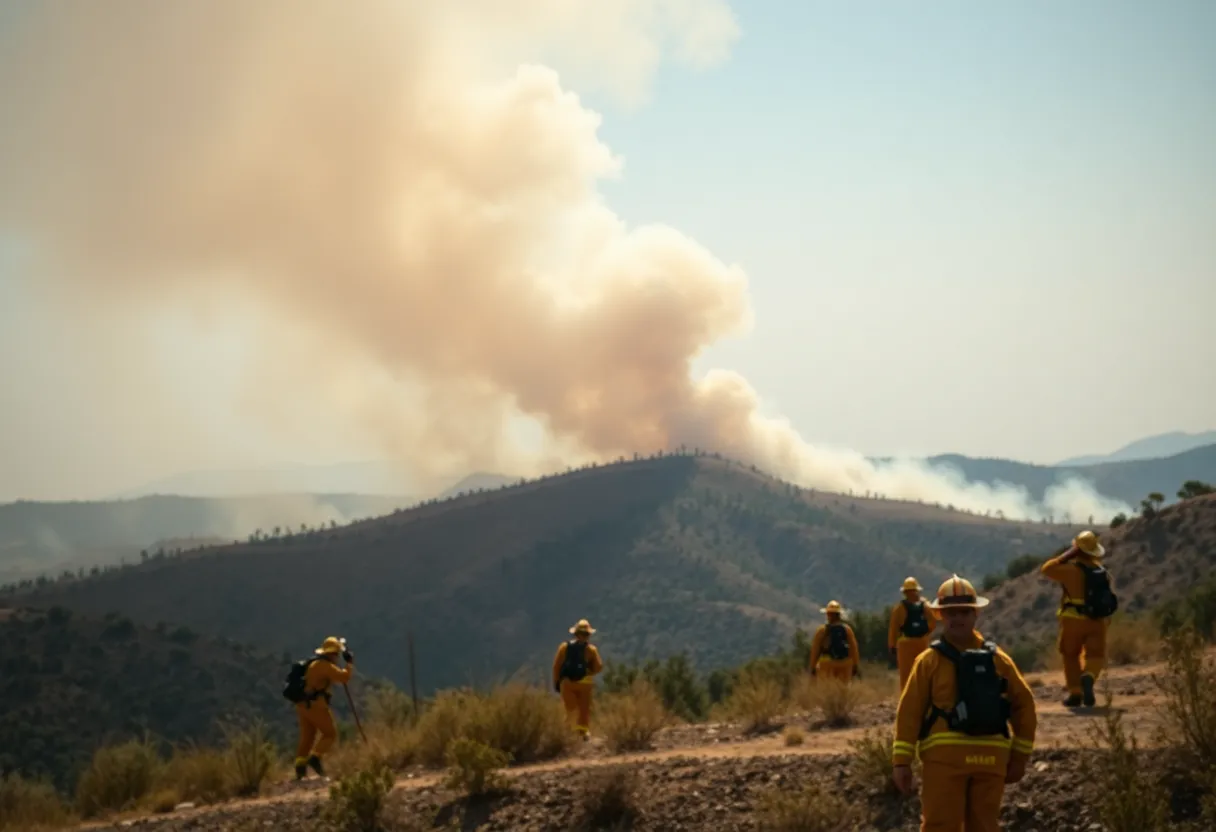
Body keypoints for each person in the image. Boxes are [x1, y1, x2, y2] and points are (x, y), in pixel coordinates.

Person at [892, 575, 1037, 832]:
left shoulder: (929, 661)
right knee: (984, 826)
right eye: (951, 613)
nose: (957, 618)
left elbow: (910, 712)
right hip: (991, 759)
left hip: (946, 761)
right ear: (939, 616)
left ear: (975, 615)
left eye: (964, 612)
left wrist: (901, 761)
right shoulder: (998, 659)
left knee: (940, 826)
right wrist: (1019, 755)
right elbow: (1024, 706)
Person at [1040, 530, 1118, 707]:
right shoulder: (1102, 571)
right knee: (1095, 655)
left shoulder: (1070, 570)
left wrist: (1067, 554)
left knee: (1070, 655)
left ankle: (1075, 693)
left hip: (1072, 621)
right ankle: (1088, 676)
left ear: (1077, 549)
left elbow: (1046, 569)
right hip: (1097, 621)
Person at [293, 636, 355, 780]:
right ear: (332, 654)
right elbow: (344, 677)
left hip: (303, 705)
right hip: (316, 706)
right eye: (337, 654)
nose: (338, 657)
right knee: (330, 734)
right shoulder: (325, 666)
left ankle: (300, 768)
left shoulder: (314, 664)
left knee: (307, 737)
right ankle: (315, 758)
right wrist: (349, 663)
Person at [552, 619, 604, 740]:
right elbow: (599, 667)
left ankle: (569, 733)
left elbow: (556, 666)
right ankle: (583, 733)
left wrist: (556, 682)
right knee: (584, 708)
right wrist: (589, 672)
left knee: (570, 708)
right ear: (589, 635)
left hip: (567, 683)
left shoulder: (564, 647)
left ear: (575, 633)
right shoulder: (591, 650)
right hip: (585, 683)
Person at [888, 576, 940, 690]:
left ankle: (907, 700)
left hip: (905, 644)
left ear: (904, 592)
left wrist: (892, 646)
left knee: (906, 675)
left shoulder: (899, 608)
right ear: (917, 590)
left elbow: (894, 628)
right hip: (922, 642)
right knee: (923, 672)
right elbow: (933, 622)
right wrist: (925, 633)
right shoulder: (925, 605)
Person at [809, 600, 860, 682]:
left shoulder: (822, 630)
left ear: (828, 614)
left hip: (827, 663)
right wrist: (855, 666)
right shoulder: (847, 629)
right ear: (839, 615)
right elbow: (854, 649)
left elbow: (815, 650)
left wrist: (812, 668)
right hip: (844, 663)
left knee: (827, 689)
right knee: (844, 689)